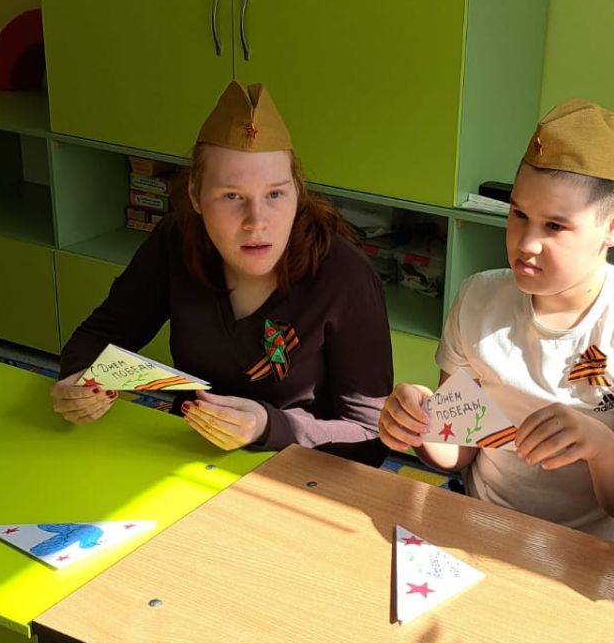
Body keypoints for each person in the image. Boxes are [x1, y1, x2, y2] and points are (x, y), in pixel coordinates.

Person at [379, 98, 614, 548]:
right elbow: (460, 451)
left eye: (554, 226)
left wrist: (600, 447)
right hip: (480, 528)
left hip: (593, 556)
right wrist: (420, 423)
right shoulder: (478, 299)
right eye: (518, 215)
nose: (526, 243)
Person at [52, 81, 392, 465]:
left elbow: (369, 438)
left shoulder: (346, 278)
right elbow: (98, 336)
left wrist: (268, 425)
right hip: (188, 453)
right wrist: (79, 381)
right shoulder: (175, 242)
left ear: (297, 192)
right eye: (232, 196)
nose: (256, 221)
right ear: (195, 196)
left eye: (275, 194)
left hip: (301, 471)